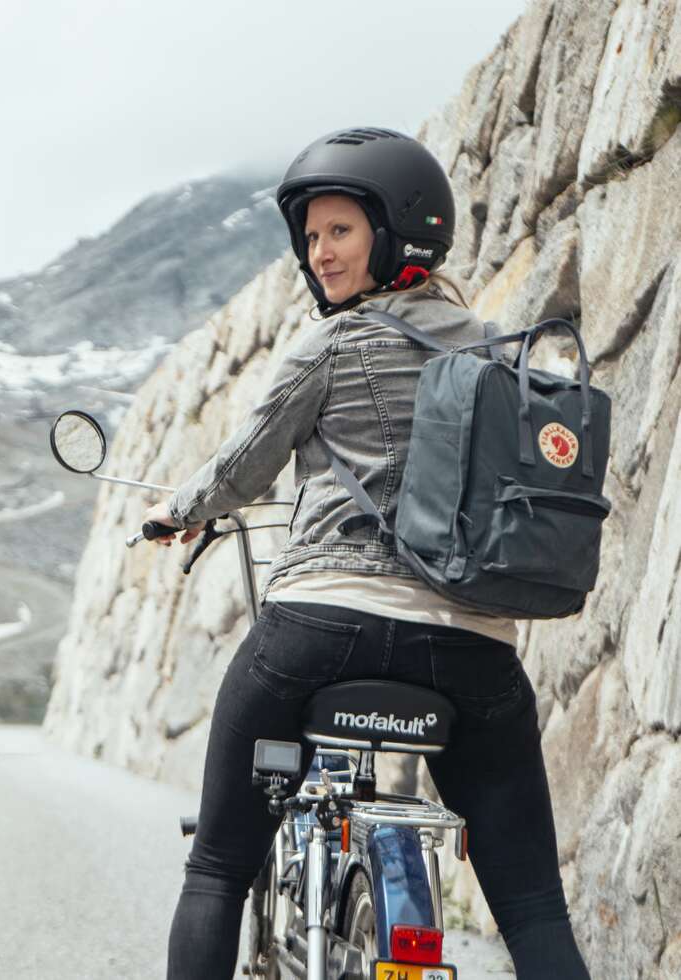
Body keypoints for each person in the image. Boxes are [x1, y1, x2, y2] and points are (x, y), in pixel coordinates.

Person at [153, 129, 591, 979]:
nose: (320, 253)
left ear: (396, 234)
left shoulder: (334, 344)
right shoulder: (500, 355)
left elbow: (243, 469)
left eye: (340, 232)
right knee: (534, 909)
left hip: (319, 628)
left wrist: (175, 512)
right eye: (311, 237)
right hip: (472, 651)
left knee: (215, 868)